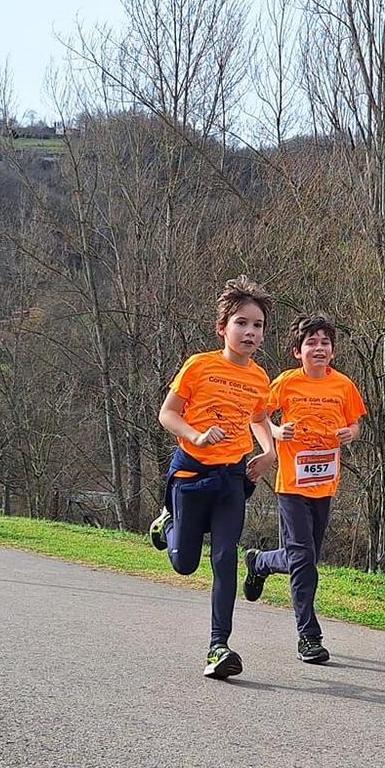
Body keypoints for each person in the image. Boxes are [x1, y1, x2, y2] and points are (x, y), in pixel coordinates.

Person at [155, 277, 276, 679]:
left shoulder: (260, 378)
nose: (250, 332)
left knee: (225, 559)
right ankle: (169, 522)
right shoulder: (199, 365)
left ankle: (218, 646)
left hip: (230, 479)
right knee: (184, 565)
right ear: (222, 327)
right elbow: (167, 414)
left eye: (257, 325)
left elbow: (260, 418)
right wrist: (196, 435)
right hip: (191, 475)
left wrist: (268, 451)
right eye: (242, 323)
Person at [241, 314, 365, 664]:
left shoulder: (343, 386)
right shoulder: (285, 383)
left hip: (325, 485)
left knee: (304, 558)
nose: (319, 348)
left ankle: (260, 561)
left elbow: (356, 424)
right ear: (298, 351)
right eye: (311, 343)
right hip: (292, 485)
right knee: (304, 560)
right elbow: (257, 415)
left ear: (333, 351)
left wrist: (349, 434)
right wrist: (277, 434)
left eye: (325, 342)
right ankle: (308, 636)